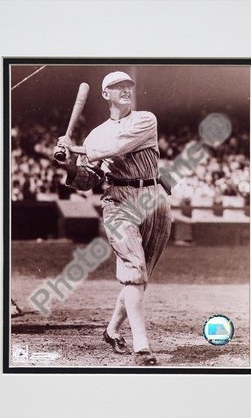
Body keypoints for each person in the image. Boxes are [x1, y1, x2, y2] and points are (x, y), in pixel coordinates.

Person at [54, 71, 171, 366]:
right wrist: (70, 166)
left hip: (154, 198)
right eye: (118, 87)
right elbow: (86, 181)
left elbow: (117, 147)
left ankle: (112, 331)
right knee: (134, 271)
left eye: (128, 86)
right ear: (105, 94)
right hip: (119, 201)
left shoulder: (146, 119)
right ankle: (141, 347)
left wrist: (74, 147)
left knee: (140, 279)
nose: (126, 90)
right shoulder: (96, 133)